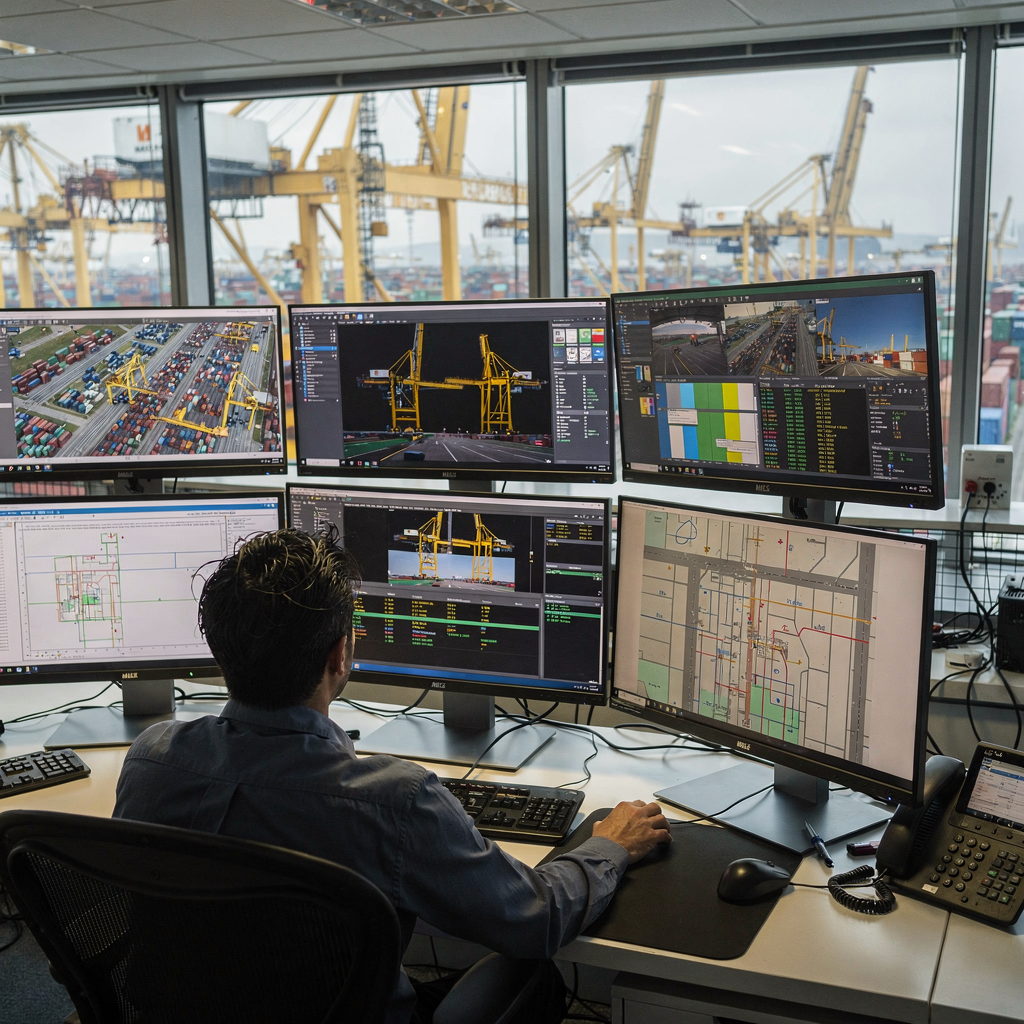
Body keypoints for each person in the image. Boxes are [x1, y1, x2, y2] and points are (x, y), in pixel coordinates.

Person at [113, 528, 671, 1024]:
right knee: (534, 977)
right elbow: (537, 922)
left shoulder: (150, 760)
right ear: (339, 655)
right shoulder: (394, 803)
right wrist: (609, 846)